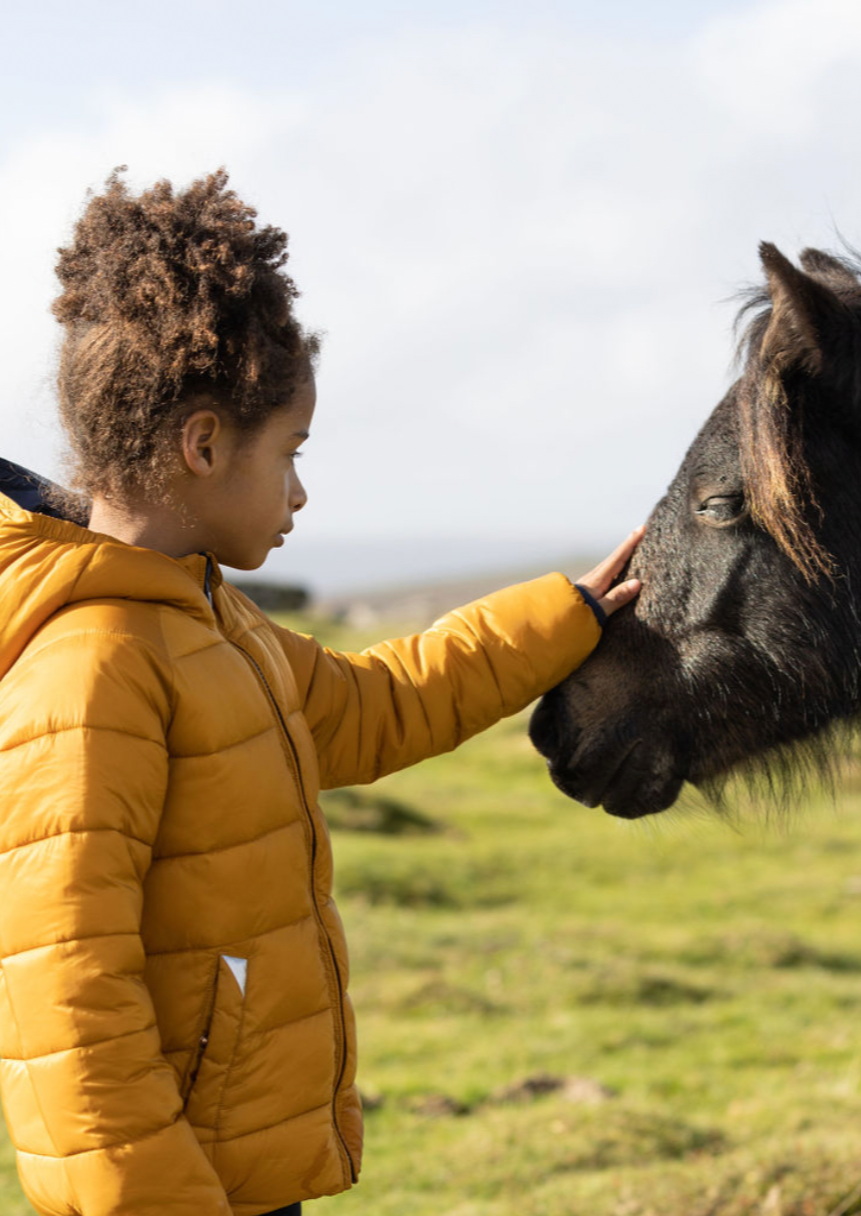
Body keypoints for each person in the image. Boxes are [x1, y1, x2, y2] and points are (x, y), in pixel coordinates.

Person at [0, 169, 642, 1216]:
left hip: (242, 1171)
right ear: (203, 445)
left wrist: (565, 617)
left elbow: (377, 703)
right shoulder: (91, 669)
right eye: (288, 455)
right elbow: (65, 1003)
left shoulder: (211, 622)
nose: (301, 492)